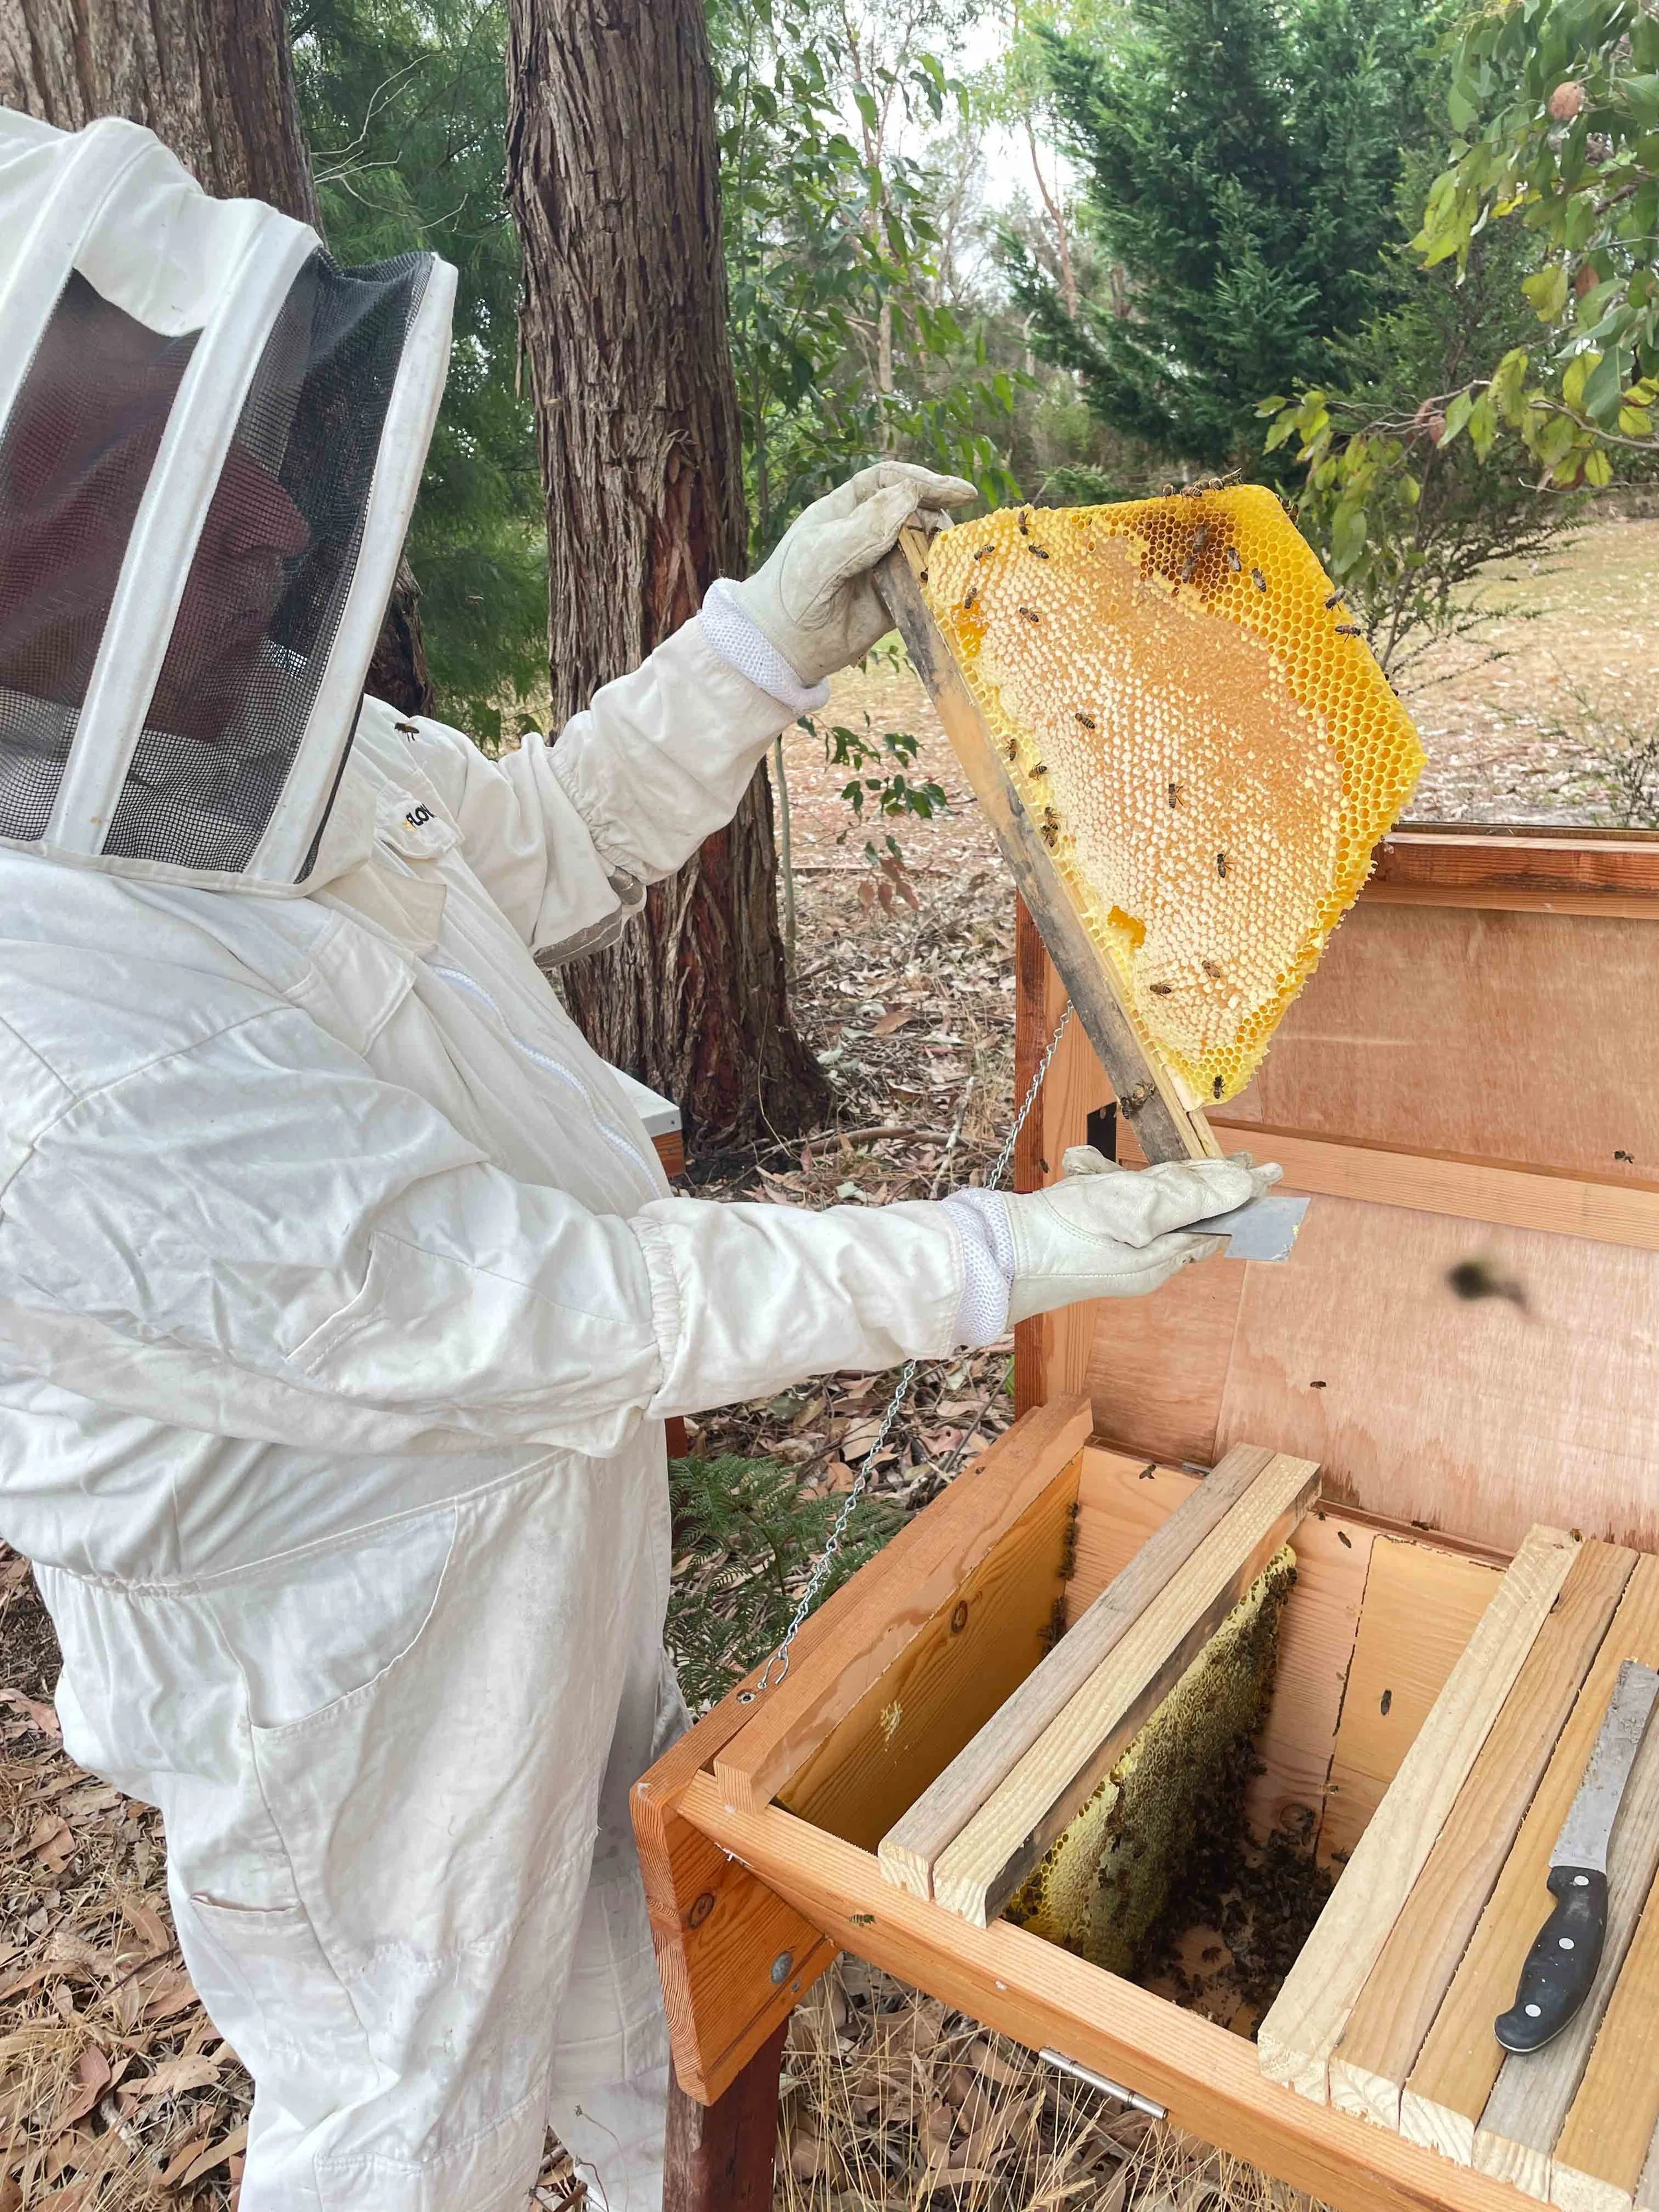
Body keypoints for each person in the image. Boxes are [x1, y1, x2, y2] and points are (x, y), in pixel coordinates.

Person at [0, 109, 1277, 2212]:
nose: (259, 525)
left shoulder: (241, 744)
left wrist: (760, 643)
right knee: (408, 2128)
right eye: (135, 479)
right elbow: (567, 1303)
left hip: (541, 1538)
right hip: (343, 1699)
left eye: (226, 440)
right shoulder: (49, 1066)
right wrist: (999, 1255)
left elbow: (542, 836)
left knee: (640, 1980)